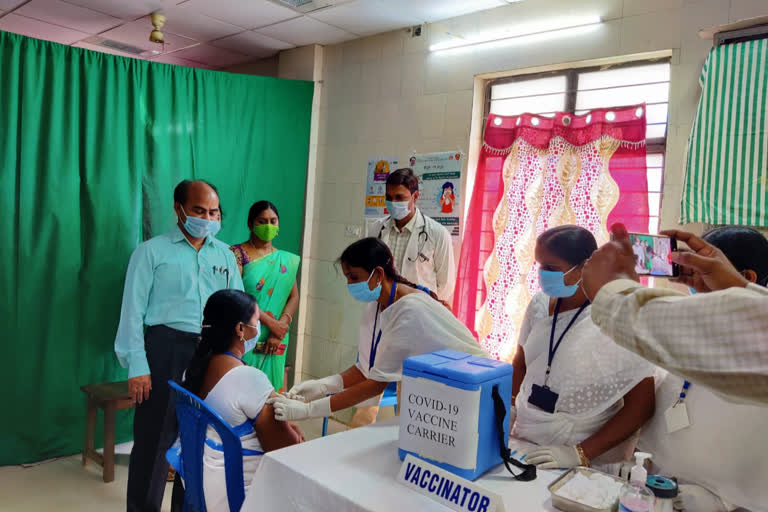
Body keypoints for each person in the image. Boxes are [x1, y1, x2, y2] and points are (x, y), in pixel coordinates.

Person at [114, 180, 243, 512]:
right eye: (199, 210)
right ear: (178, 209)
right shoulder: (151, 252)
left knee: (198, 441)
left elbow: (241, 306)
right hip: (165, 349)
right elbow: (132, 312)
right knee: (155, 441)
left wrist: (237, 353)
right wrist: (138, 367)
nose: (207, 218)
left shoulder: (225, 256)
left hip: (212, 352)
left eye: (213, 212)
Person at [266, 237, 488, 423]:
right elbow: (365, 370)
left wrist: (309, 410)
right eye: (347, 278)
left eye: (354, 277)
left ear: (379, 274)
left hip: (473, 386)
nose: (350, 285)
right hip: (433, 386)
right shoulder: (376, 307)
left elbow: (375, 384)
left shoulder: (410, 309)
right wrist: (322, 385)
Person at [637, 225, 768, 512]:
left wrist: (724, 502)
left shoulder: (760, 349)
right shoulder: (699, 324)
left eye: (704, 270)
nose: (694, 282)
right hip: (659, 488)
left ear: (745, 278)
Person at [513, 226, 656, 472]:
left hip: (583, 455)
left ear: (584, 268)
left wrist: (580, 453)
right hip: (527, 438)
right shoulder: (539, 304)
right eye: (539, 266)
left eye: (551, 268)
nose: (542, 275)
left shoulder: (614, 318)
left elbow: (641, 405)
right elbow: (521, 362)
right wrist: (509, 410)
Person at [582, 223, 768, 406]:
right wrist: (739, 287)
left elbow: (706, 331)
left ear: (748, 276)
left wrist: (611, 293)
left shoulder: (736, 340)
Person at [171, 289, 303, 511]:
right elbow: (286, 451)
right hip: (238, 493)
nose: (259, 328)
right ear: (240, 329)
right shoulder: (249, 379)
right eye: (256, 321)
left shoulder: (194, 369)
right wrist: (294, 433)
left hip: (202, 484)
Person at [230, 201, 299, 391]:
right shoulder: (237, 254)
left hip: (277, 335)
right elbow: (238, 296)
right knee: (243, 392)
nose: (268, 226)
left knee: (272, 396)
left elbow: (293, 297)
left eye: (273, 221)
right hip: (246, 332)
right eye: (262, 221)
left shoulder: (285, 260)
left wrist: (281, 327)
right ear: (250, 225)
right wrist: (272, 324)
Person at [368, 168, 456, 302]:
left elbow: (446, 285)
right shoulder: (377, 228)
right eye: (388, 198)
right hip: (382, 306)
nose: (393, 203)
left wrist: (425, 307)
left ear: (415, 197)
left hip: (418, 311)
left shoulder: (438, 233)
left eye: (399, 197)